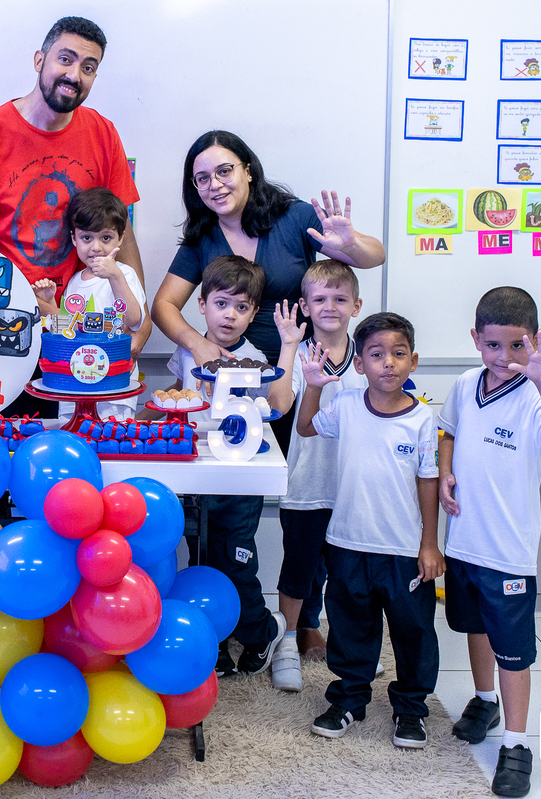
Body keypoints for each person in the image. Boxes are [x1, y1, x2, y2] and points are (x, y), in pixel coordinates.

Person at [151, 130, 383, 659]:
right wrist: (198, 345)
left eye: (224, 170)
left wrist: (349, 245)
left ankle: (305, 622)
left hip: (303, 377)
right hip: (230, 396)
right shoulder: (202, 236)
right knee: (228, 513)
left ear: (248, 170)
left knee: (310, 502)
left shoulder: (295, 217)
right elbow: (165, 306)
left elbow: (372, 255)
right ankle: (236, 618)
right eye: (202, 177)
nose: (215, 184)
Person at [0, 16, 149, 418]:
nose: (75, 75)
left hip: (81, 332)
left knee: (79, 454)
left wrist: (139, 323)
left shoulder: (103, 134)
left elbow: (121, 235)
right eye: (66, 59)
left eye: (89, 67)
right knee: (8, 457)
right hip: (7, 332)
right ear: (40, 59)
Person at [437, 288, 541, 797]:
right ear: (476, 340)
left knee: (513, 651)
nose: (505, 358)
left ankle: (516, 744)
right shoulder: (463, 383)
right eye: (493, 345)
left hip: (509, 550)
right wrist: (447, 473)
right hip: (463, 542)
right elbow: (448, 433)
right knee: (474, 628)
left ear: (534, 340)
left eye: (517, 345)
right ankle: (483, 699)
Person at [296, 312, 442, 750]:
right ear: (359, 364)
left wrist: (430, 544)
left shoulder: (422, 420)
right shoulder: (344, 407)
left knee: (413, 632)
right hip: (347, 543)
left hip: (403, 551)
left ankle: (412, 709)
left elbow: (428, 481)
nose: (388, 364)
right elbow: (305, 427)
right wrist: (316, 386)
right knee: (350, 628)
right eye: (377, 355)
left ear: (413, 361)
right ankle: (349, 699)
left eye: (399, 354)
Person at [157, 255, 285, 676]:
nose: (230, 315)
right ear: (202, 305)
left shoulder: (253, 359)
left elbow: (272, 411)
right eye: (222, 303)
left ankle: (262, 631)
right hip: (196, 471)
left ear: (253, 314)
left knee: (235, 560)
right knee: (199, 557)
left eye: (242, 307)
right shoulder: (187, 346)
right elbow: (181, 391)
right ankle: (215, 640)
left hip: (238, 478)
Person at [264, 260, 365, 692]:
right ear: (304, 305)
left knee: (347, 573)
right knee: (298, 569)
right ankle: (287, 642)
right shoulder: (299, 353)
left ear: (356, 305)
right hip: (305, 485)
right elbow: (278, 405)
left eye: (340, 299)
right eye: (320, 299)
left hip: (355, 489)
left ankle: (346, 644)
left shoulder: (369, 357)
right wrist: (288, 345)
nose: (330, 307)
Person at [33, 187, 147, 420]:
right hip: (74, 384)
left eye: (106, 238)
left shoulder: (125, 274)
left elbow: (134, 320)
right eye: (87, 238)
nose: (96, 247)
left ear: (121, 238)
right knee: (74, 434)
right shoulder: (75, 282)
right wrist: (50, 301)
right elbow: (68, 329)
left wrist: (114, 276)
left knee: (112, 441)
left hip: (114, 387)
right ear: (74, 238)